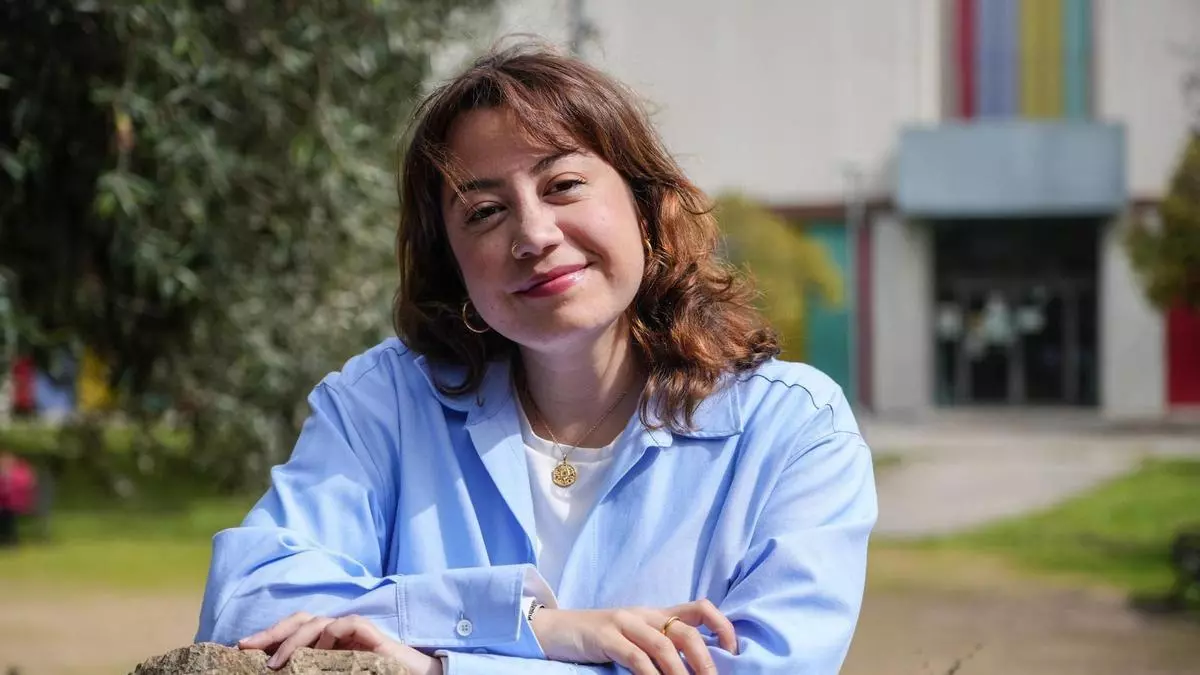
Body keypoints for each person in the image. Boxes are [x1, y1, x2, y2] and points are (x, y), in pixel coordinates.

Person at [195, 42, 877, 675]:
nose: (534, 234)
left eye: (563, 185)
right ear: (451, 261)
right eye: (484, 212)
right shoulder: (381, 402)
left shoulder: (792, 428)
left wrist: (444, 666)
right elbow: (249, 605)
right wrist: (538, 626)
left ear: (645, 208)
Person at [0, 450, 36, 547]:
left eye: (7, 460)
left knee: (8, 519)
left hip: (13, 502)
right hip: (4, 502)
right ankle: (6, 540)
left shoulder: (18, 472)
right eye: (3, 460)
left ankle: (11, 541)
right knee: (5, 518)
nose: (4, 462)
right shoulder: (5, 472)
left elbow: (25, 485)